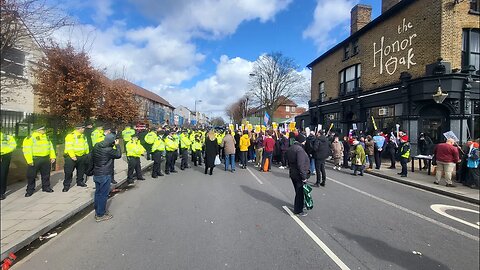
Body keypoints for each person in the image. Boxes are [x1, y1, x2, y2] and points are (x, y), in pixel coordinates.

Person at [92, 134, 122, 222]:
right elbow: (118, 155)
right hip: (105, 173)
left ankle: (98, 210)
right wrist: (117, 145)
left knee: (98, 193)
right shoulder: (109, 150)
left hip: (97, 172)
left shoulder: (97, 146)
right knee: (103, 195)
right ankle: (100, 215)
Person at [23, 126, 56, 197]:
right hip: (35, 159)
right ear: (38, 130)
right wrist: (29, 160)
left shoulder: (46, 137)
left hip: (45, 158)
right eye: (43, 129)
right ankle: (30, 190)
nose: (44, 130)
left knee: (46, 174)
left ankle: (46, 187)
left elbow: (51, 148)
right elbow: (26, 150)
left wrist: (52, 156)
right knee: (31, 175)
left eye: (44, 129)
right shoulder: (30, 138)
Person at [287, 133, 310, 216]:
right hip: (298, 174)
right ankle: (298, 210)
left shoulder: (291, 148)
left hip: (293, 172)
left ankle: (300, 205)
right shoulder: (299, 150)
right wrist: (304, 177)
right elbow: (300, 164)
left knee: (298, 191)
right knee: (300, 192)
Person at [63, 125, 90, 192]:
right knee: (68, 172)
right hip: (71, 157)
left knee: (81, 170)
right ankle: (66, 185)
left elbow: (86, 145)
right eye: (83, 128)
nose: (84, 129)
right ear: (79, 128)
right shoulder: (70, 136)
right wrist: (72, 156)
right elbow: (69, 146)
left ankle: (80, 182)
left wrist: (87, 154)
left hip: (82, 156)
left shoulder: (83, 136)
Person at [1, 130, 17, 200]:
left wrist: (4, 152)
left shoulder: (7, 137)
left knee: (2, 175)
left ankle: (1, 193)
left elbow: (13, 145)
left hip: (4, 156)